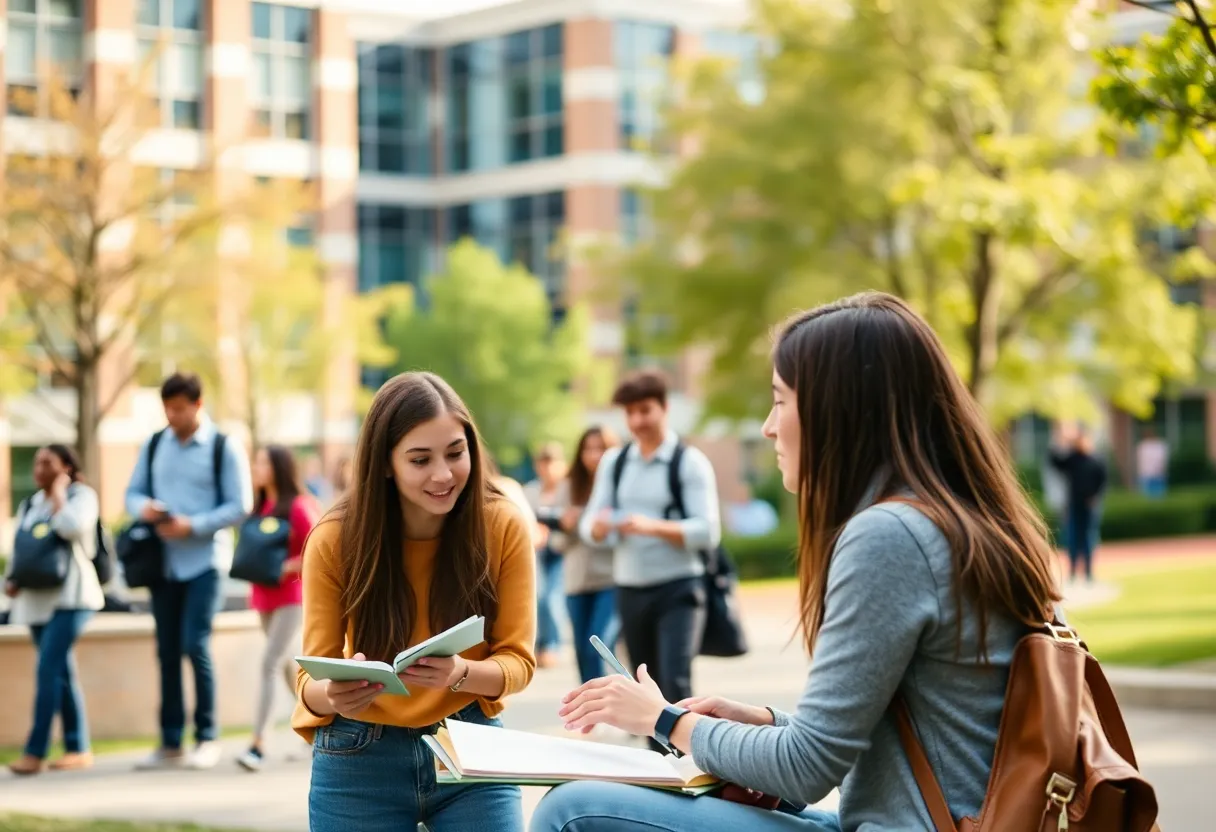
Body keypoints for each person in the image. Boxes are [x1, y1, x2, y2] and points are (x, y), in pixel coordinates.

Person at [532, 292, 1062, 832]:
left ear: (839, 411)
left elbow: (806, 768)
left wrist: (664, 720)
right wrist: (761, 721)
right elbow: (842, 745)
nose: (767, 426)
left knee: (571, 810)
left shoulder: (890, 537)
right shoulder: (959, 519)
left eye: (779, 401)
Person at [292, 371, 537, 832]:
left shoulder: (502, 524)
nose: (443, 474)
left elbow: (518, 662)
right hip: (358, 755)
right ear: (385, 463)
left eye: (455, 453)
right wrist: (334, 694)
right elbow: (309, 675)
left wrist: (461, 673)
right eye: (420, 460)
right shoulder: (334, 538)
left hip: (469, 744)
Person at [578, 369, 721, 753]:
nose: (638, 421)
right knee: (642, 686)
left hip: (680, 588)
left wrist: (651, 527)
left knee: (673, 683)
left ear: (664, 408)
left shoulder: (689, 463)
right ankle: (657, 772)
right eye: (631, 413)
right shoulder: (615, 462)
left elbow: (709, 531)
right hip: (631, 589)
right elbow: (590, 523)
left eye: (646, 410)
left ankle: (688, 765)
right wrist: (600, 527)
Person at [125, 372, 253, 771]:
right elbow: (131, 494)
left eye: (179, 408)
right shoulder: (153, 444)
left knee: (194, 644)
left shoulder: (222, 446)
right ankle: (169, 741)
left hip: (205, 563)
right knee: (165, 651)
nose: (172, 415)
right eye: (166, 408)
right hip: (163, 565)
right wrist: (144, 508)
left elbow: (241, 504)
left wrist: (192, 525)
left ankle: (207, 737)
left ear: (198, 405)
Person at [4, 445, 105, 776]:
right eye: (36, 462)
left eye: (47, 462)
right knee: (61, 674)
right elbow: (21, 546)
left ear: (66, 467)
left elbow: (72, 529)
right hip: (36, 600)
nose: (39, 468)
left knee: (48, 670)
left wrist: (60, 493)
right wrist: (12, 579)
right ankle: (78, 748)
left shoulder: (81, 496)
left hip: (72, 599)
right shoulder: (31, 503)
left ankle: (35, 752)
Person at [237, 444, 319, 772]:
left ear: (278, 468)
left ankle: (257, 744)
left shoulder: (299, 506)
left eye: (261, 463)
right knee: (286, 666)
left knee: (269, 663)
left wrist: (287, 567)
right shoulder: (260, 507)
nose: (256, 468)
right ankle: (316, 731)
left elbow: (319, 549)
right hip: (264, 598)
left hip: (291, 598)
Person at [562, 426, 622, 684]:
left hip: (610, 579)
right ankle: (590, 714)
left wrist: (599, 527)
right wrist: (567, 526)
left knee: (598, 646)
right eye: (589, 448)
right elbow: (556, 543)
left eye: (602, 448)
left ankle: (608, 707)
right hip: (576, 582)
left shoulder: (621, 485)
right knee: (581, 653)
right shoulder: (569, 486)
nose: (595, 455)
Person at [524, 442, 570, 669]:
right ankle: (540, 643)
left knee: (552, 600)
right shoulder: (531, 491)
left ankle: (552, 645)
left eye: (552, 463)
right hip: (537, 552)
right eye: (543, 464)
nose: (548, 469)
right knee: (538, 597)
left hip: (562, 552)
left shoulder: (568, 489)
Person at [1049, 423, 1108, 584]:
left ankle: (1088, 572)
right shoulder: (1073, 459)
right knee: (1073, 538)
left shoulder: (1095, 460)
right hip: (1074, 504)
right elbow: (1055, 462)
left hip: (1090, 505)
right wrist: (1059, 439)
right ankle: (1073, 571)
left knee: (1089, 537)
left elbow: (1103, 480)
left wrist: (1095, 496)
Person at [1136, 427, 1168, 498]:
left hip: (1158, 473)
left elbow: (1162, 460)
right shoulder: (1142, 446)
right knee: (1147, 495)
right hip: (1146, 474)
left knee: (1158, 494)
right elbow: (1140, 461)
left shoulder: (1160, 446)